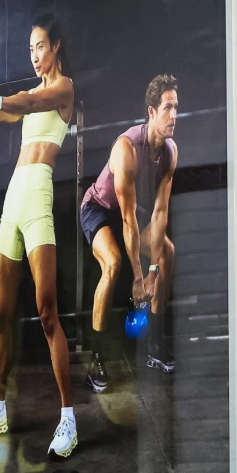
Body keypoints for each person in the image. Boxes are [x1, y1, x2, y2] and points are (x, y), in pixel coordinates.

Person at [0, 14, 78, 457]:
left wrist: (0, 99)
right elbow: (7, 114)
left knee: (47, 314)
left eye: (40, 46)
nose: (34, 55)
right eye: (30, 48)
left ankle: (68, 419)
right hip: (14, 198)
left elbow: (28, 103)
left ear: (56, 46)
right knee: (1, 314)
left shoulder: (63, 89)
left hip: (38, 198)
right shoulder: (32, 93)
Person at [79, 74, 179, 386]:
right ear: (151, 112)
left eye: (176, 107)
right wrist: (138, 277)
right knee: (113, 263)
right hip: (98, 209)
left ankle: (156, 344)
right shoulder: (127, 149)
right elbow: (127, 219)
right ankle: (96, 358)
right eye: (167, 108)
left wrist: (152, 271)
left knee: (167, 253)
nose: (173, 115)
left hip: (133, 214)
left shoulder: (170, 151)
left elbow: (160, 213)